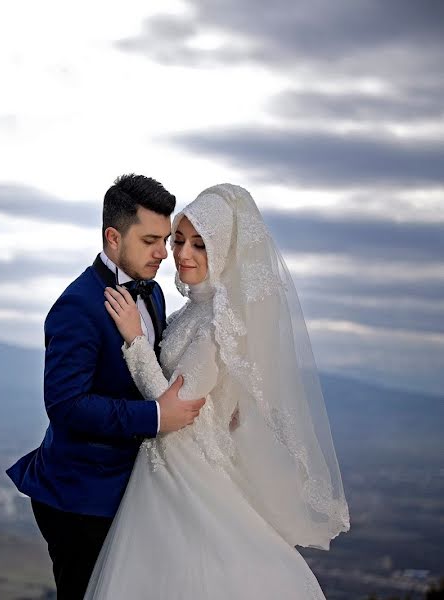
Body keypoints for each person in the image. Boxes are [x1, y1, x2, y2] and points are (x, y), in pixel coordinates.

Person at [85, 184, 350, 599]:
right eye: (179, 240)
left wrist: (135, 340)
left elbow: (176, 405)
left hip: (184, 466)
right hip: (164, 466)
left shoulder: (217, 325)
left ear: (225, 250)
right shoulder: (193, 311)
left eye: (200, 245)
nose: (183, 254)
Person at [6, 174, 206, 600]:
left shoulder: (152, 293)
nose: (162, 254)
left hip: (130, 488)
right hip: (80, 498)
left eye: (164, 239)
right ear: (113, 237)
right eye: (150, 240)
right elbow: (66, 406)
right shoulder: (78, 306)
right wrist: (156, 417)